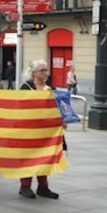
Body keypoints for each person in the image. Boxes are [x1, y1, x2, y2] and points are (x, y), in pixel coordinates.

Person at [18, 59, 61, 200]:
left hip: (45, 130)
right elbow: (22, 106)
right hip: (29, 130)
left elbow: (57, 107)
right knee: (29, 158)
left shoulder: (51, 87)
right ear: (33, 73)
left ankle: (43, 186)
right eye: (42, 70)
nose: (45, 73)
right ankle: (25, 186)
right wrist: (42, 95)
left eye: (46, 70)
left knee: (44, 157)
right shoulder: (26, 87)